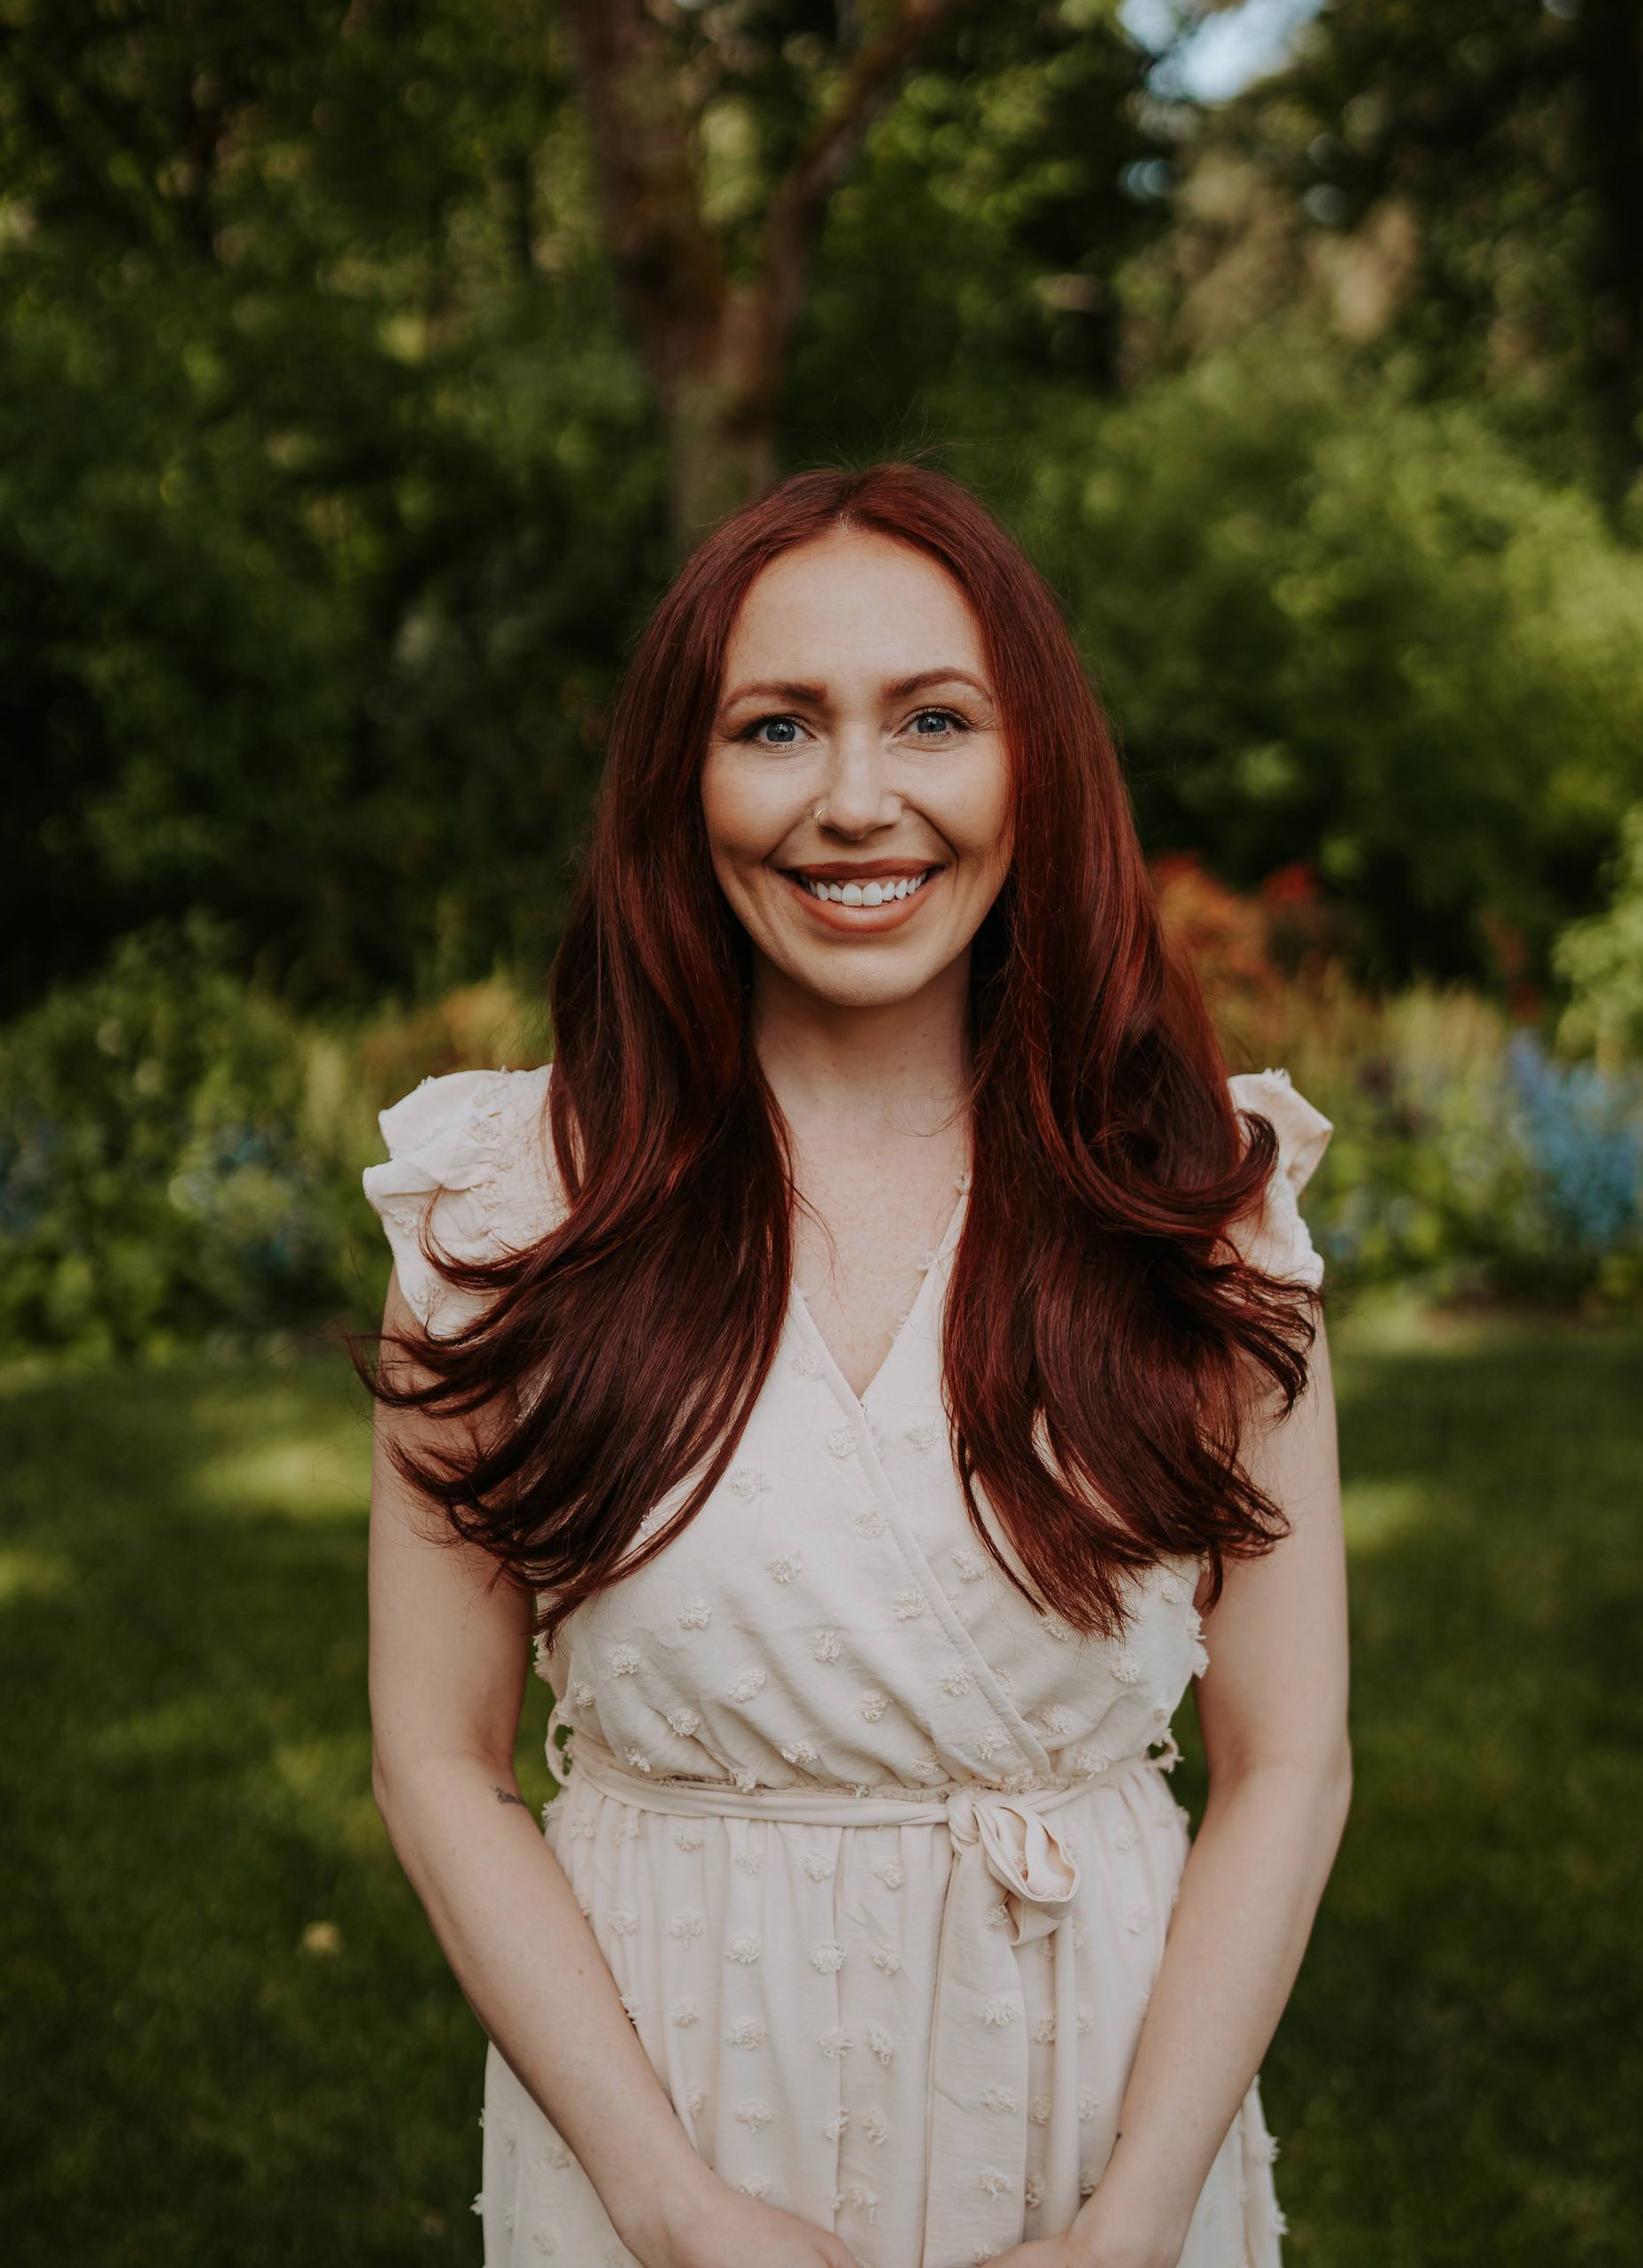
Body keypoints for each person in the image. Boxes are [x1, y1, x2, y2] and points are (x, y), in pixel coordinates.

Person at [358, 462, 1351, 2268]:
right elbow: (436, 1756)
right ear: (683, 779)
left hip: (1100, 2123)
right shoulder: (507, 1209)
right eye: (777, 726)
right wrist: (668, 2205)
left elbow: (1290, 1761)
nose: (857, 799)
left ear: (1034, 763)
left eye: (933, 719)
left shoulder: (1196, 1205)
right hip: (667, 2109)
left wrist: (1137, 2215)